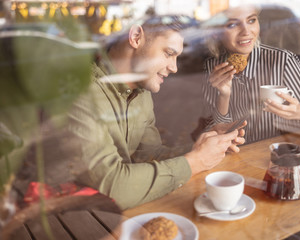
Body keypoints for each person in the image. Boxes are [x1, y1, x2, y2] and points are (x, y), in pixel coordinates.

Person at [55, 17, 246, 210]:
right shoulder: (77, 91)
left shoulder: (141, 91)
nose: (174, 67)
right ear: (136, 37)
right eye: (169, 54)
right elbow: (111, 188)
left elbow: (147, 156)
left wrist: (202, 149)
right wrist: (195, 162)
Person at [202, 5, 300, 144]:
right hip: (235, 155)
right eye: (232, 24)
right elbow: (214, 130)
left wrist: (299, 112)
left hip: (276, 152)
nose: (246, 31)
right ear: (216, 33)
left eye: (251, 20)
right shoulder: (212, 67)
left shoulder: (282, 60)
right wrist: (224, 96)